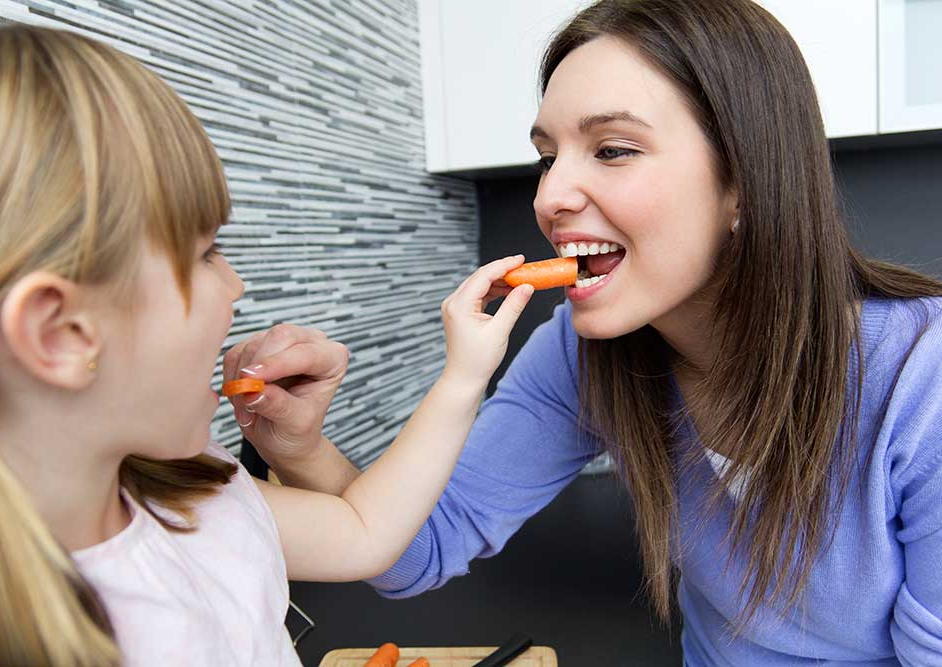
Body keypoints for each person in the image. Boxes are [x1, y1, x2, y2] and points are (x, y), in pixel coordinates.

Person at [255, 0, 942, 664]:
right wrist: (300, 444)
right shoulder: (580, 352)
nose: (550, 197)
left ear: (744, 184)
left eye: (611, 149)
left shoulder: (923, 382)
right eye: (547, 156)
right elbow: (415, 549)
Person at [0, 24, 534, 666]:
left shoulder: (194, 486)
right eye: (205, 255)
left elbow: (366, 534)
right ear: (60, 333)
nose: (236, 285)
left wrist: (462, 376)